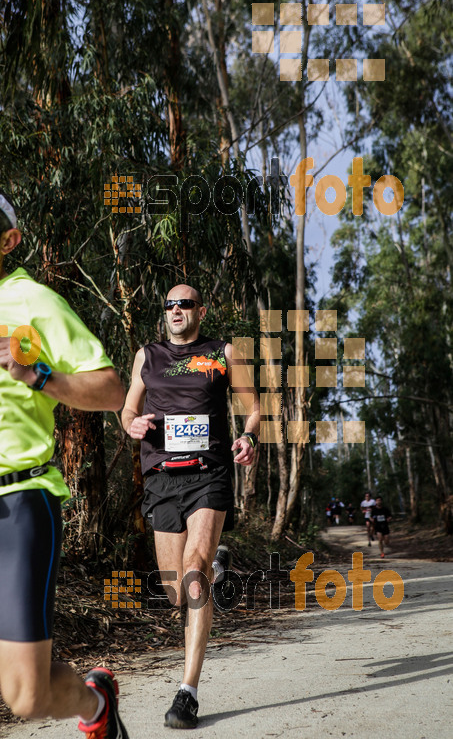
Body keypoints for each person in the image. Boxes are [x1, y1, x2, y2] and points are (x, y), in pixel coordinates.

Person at [0, 177, 129, 739]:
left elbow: (111, 390)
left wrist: (38, 373)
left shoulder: (34, 300)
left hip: (13, 506)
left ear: (7, 240)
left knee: (25, 696)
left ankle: (95, 704)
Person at [121, 284, 260, 729]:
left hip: (209, 473)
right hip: (162, 479)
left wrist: (249, 437)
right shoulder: (148, 355)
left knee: (194, 573)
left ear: (201, 310)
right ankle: (217, 571)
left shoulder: (223, 352)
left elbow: (254, 407)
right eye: (170, 304)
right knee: (176, 591)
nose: (176, 310)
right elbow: (126, 410)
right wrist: (133, 424)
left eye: (185, 303)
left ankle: (188, 693)